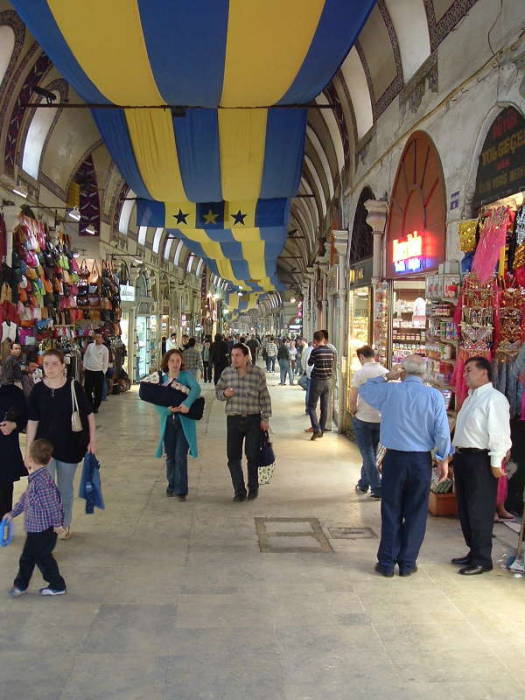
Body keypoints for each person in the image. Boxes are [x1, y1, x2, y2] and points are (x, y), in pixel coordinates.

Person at [359, 355, 451, 577]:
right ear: (424, 373)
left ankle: (387, 563)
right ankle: (408, 563)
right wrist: (443, 459)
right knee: (416, 512)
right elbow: (442, 431)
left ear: (403, 371)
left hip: (395, 460)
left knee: (391, 509)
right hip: (420, 461)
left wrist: (386, 376)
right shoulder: (434, 396)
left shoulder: (391, 392)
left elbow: (365, 389)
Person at [26, 349, 96, 539]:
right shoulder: (38, 390)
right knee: (45, 490)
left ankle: (64, 525)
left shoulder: (74, 387)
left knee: (65, 488)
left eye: (54, 363)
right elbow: (32, 421)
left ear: (63, 366)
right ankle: (49, 526)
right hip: (43, 450)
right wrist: (28, 451)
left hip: (69, 446)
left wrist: (92, 441)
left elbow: (89, 414)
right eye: (46, 364)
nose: (50, 368)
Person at [451, 356, 511, 575]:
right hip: (464, 457)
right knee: (466, 509)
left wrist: (496, 462)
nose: (464, 375)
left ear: (483, 372)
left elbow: (499, 434)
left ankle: (483, 559)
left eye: (469, 370)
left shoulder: (494, 399)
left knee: (479, 510)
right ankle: (473, 551)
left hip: (481, 460)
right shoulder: (469, 398)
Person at [6, 438, 67, 597]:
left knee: (42, 559)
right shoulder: (35, 479)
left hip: (44, 530)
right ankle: (21, 584)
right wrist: (12, 514)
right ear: (49, 459)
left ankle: (57, 585)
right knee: (28, 558)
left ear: (30, 459)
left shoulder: (42, 482)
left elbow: (53, 505)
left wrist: (58, 524)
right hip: (35, 529)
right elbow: (25, 499)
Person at [216, 343, 271, 501]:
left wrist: (265, 418)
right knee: (233, 457)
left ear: (246, 357)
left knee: (252, 455)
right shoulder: (227, 373)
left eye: (238, 355)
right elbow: (218, 392)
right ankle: (239, 491)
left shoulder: (257, 373)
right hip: (233, 419)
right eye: (232, 355)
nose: (234, 359)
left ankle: (253, 487)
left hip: (253, 419)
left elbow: (264, 397)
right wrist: (225, 393)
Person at [155, 349, 200, 500]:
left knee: (180, 455)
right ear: (166, 362)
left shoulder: (186, 376)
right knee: (170, 456)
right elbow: (156, 401)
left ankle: (181, 490)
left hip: (184, 423)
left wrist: (186, 404)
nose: (175, 364)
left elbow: (196, 389)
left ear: (181, 363)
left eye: (178, 361)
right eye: (172, 361)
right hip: (168, 422)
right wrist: (167, 410)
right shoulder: (161, 379)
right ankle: (171, 485)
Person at [349, 346, 388, 499]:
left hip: (363, 418)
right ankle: (363, 483)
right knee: (371, 453)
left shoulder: (361, 373)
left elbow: (353, 397)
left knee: (367, 454)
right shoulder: (385, 372)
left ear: (362, 357)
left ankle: (377, 488)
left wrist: (353, 411)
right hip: (380, 419)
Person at [0, 369, 27, 518]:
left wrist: (14, 425)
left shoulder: (13, 392)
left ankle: (3, 524)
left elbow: (27, 413)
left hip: (5, 449)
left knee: (4, 488)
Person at [307, 331, 335, 440]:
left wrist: (314, 350)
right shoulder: (330, 351)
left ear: (315, 340)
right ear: (323, 339)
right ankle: (321, 430)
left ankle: (316, 429)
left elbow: (310, 363)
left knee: (311, 406)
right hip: (328, 381)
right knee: (324, 407)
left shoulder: (315, 351)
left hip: (317, 381)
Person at [83, 331, 109, 413]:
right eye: (96, 337)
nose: (97, 339)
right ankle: (90, 405)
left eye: (99, 337)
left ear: (102, 339)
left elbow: (105, 362)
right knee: (87, 389)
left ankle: (96, 406)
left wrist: (103, 372)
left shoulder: (105, 349)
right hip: (89, 371)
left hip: (99, 372)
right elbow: (86, 356)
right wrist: (84, 366)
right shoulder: (90, 346)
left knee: (98, 391)